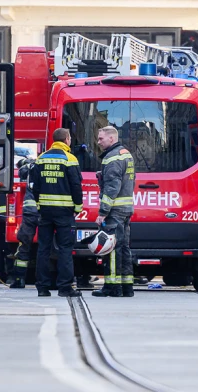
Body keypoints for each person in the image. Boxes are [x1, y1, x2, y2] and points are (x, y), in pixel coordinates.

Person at [29, 128, 83, 297]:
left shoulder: (41, 158)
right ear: (66, 139)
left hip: (45, 211)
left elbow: (35, 186)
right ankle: (64, 287)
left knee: (43, 248)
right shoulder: (70, 159)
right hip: (64, 212)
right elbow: (76, 185)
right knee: (65, 249)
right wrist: (78, 207)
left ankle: (43, 288)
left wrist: (39, 204)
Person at [93, 125, 135, 297]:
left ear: (111, 138)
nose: (98, 142)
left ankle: (112, 287)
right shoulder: (126, 154)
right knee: (124, 248)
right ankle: (127, 287)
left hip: (115, 211)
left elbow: (112, 187)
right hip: (126, 209)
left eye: (101, 138)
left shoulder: (111, 158)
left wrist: (102, 212)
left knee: (111, 249)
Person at [7, 154, 39, 288]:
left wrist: (27, 161)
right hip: (47, 212)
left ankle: (19, 279)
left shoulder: (30, 166)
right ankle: (45, 282)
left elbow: (21, 170)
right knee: (45, 248)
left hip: (30, 212)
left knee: (24, 245)